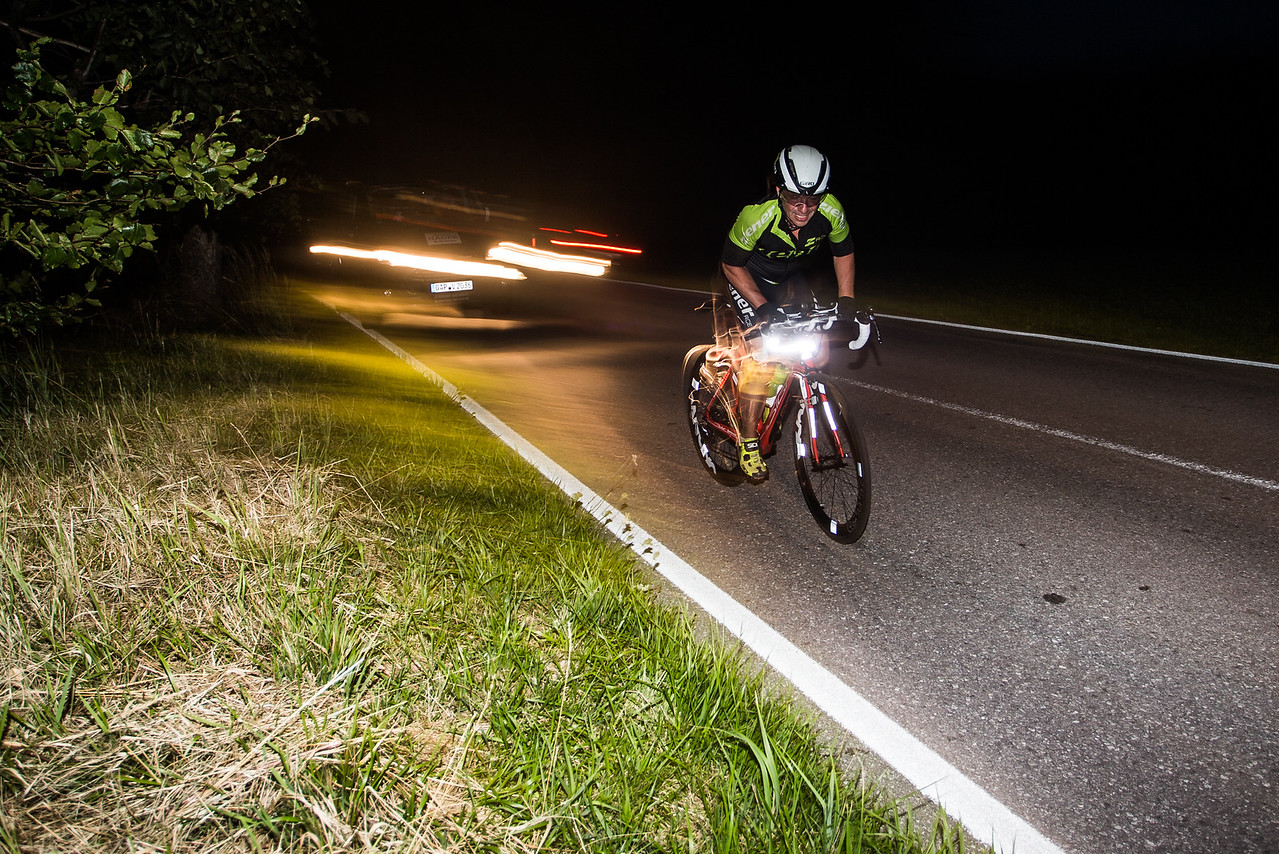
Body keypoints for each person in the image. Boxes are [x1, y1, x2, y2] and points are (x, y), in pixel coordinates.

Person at [719, 144, 857, 480]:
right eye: (796, 198)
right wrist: (763, 307)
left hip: (789, 280)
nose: (805, 208)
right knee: (761, 359)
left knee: (817, 353)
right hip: (746, 278)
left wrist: (847, 301)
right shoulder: (757, 215)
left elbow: (844, 253)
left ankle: (774, 391)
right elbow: (730, 264)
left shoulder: (832, 211)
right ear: (779, 190)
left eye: (814, 200)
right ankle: (748, 442)